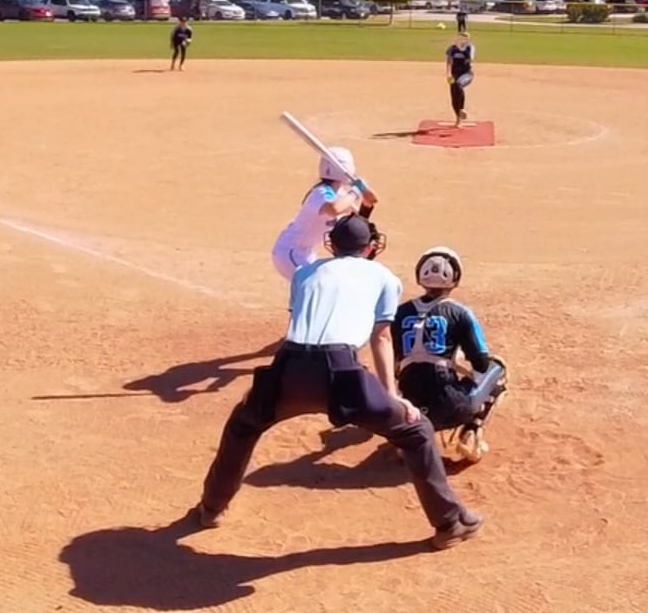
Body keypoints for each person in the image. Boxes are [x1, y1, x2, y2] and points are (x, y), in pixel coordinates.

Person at [194, 215, 483, 550]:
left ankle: (211, 508)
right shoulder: (384, 277)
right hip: (342, 372)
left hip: (288, 367)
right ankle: (449, 523)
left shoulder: (304, 273)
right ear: (371, 247)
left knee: (243, 425)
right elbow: (381, 337)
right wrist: (393, 395)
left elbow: (306, 321)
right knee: (416, 431)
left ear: (332, 244)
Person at [393, 246, 507, 464]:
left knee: (411, 379)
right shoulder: (460, 312)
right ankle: (472, 430)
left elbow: (396, 366)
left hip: (408, 412)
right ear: (455, 279)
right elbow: (481, 364)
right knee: (497, 368)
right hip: (451, 407)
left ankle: (410, 439)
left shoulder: (400, 313)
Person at [270, 146, 376, 281]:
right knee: (316, 283)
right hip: (289, 252)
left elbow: (366, 208)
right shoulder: (321, 193)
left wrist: (366, 196)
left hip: (306, 253)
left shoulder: (341, 195)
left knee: (326, 283)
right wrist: (356, 191)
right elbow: (335, 209)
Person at [445, 32, 476, 127]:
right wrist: (448, 74)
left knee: (459, 84)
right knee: (454, 95)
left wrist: (462, 49)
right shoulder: (452, 48)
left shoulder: (470, 48)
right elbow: (449, 61)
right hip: (455, 74)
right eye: (460, 38)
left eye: (465, 39)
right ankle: (458, 119)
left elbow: (471, 59)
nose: (462, 40)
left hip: (467, 74)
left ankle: (462, 109)